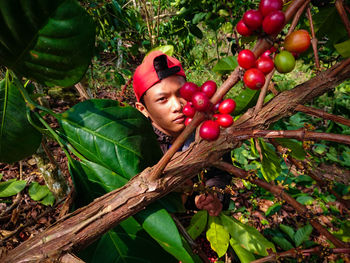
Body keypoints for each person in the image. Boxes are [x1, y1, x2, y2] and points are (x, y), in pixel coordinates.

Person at [132, 51, 231, 216]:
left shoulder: (206, 131)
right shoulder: (140, 145)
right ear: (143, 109)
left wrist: (212, 197)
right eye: (163, 99)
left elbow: (221, 173)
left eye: (181, 94)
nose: (177, 106)